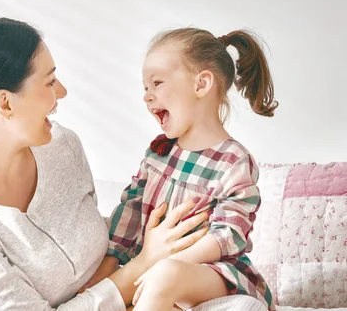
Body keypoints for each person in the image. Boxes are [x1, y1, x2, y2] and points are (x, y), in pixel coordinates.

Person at [0, 18, 209, 310]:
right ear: (4, 102)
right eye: (49, 81)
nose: (62, 92)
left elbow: (98, 255)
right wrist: (145, 262)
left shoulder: (63, 146)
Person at [87, 28, 278, 311]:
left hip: (209, 275)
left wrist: (164, 267)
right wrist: (96, 286)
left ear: (201, 84)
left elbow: (229, 234)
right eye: (145, 88)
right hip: (154, 280)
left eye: (157, 83)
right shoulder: (157, 154)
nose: (147, 97)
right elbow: (128, 218)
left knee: (169, 278)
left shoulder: (234, 160)